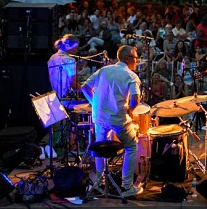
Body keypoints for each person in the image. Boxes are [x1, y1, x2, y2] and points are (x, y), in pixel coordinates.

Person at [81, 45, 144, 198]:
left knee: (100, 144)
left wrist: (95, 105)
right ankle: (127, 186)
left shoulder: (104, 70)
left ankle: (100, 182)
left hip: (100, 118)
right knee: (131, 147)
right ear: (128, 58)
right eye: (136, 58)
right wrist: (129, 111)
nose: (137, 61)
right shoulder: (131, 76)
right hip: (118, 119)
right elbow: (136, 100)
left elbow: (84, 87)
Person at [48, 34, 80, 99]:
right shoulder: (70, 60)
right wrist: (87, 88)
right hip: (65, 98)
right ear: (69, 46)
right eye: (75, 47)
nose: (76, 50)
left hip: (54, 97)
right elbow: (74, 85)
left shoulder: (52, 57)